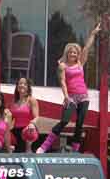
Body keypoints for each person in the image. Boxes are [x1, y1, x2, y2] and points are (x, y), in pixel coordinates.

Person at [37, 22, 101, 153]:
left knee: (79, 124)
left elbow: (87, 48)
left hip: (83, 96)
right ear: (67, 53)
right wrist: (66, 96)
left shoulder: (80, 63)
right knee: (65, 121)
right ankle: (44, 146)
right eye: (71, 52)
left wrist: (93, 34)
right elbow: (62, 82)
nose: (73, 54)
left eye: (75, 53)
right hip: (71, 97)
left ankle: (75, 150)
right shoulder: (63, 66)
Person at [9, 77, 40, 153]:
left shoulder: (31, 100)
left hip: (28, 130)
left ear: (28, 87)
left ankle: (28, 150)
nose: (22, 85)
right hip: (16, 130)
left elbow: (36, 117)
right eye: (20, 83)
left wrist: (32, 124)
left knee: (24, 151)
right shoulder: (13, 101)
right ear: (17, 87)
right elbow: (9, 118)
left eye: (25, 84)